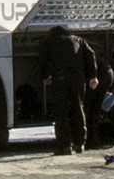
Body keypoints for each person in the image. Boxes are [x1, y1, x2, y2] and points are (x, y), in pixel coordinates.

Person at [40, 25, 100, 156]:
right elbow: (91, 55)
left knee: (61, 112)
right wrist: (92, 76)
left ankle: (65, 146)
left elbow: (43, 59)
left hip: (60, 79)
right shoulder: (78, 40)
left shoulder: (49, 41)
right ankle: (80, 143)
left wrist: (46, 76)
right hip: (77, 79)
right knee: (78, 108)